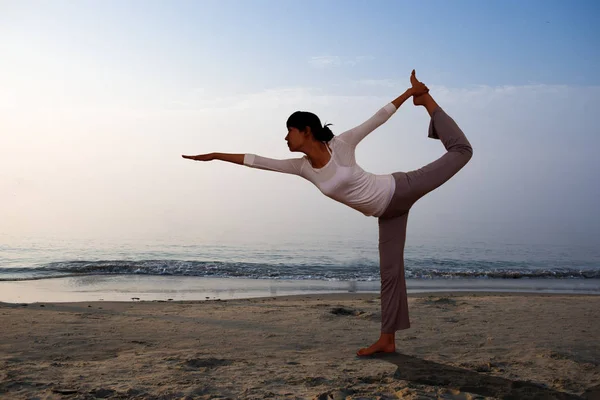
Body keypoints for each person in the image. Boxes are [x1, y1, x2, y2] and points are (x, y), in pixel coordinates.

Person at [182, 70, 473, 356]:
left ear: (305, 131)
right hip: (387, 214)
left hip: (399, 189)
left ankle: (428, 103)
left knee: (461, 151)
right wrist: (216, 155)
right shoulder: (302, 167)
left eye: (289, 131)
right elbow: (257, 161)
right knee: (390, 274)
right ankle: (387, 340)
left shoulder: (341, 145)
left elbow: (378, 117)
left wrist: (411, 93)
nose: (285, 137)